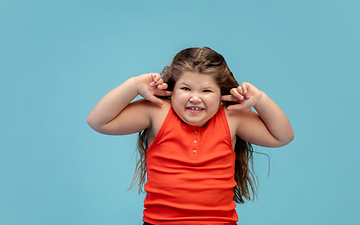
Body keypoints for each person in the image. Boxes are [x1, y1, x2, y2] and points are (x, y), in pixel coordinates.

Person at [87, 47, 294, 225]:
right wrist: (133, 85)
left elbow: (282, 136)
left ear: (222, 95)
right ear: (172, 90)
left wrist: (260, 100)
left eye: (206, 91)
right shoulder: (158, 111)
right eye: (186, 88)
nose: (195, 98)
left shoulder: (232, 117)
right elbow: (98, 121)